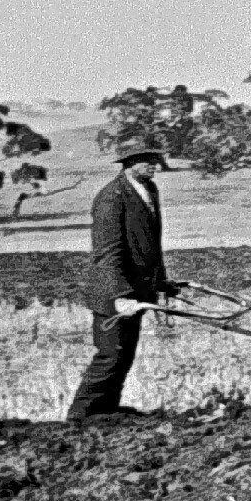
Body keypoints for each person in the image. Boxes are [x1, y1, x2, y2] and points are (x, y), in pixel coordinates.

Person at [66, 142, 184, 421]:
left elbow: (149, 244)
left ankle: (105, 410)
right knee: (111, 354)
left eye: (155, 159)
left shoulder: (148, 189)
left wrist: (161, 282)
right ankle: (80, 416)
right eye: (147, 160)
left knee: (125, 354)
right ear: (129, 164)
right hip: (113, 291)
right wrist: (120, 295)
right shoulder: (111, 197)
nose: (154, 165)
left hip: (137, 291)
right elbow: (108, 252)